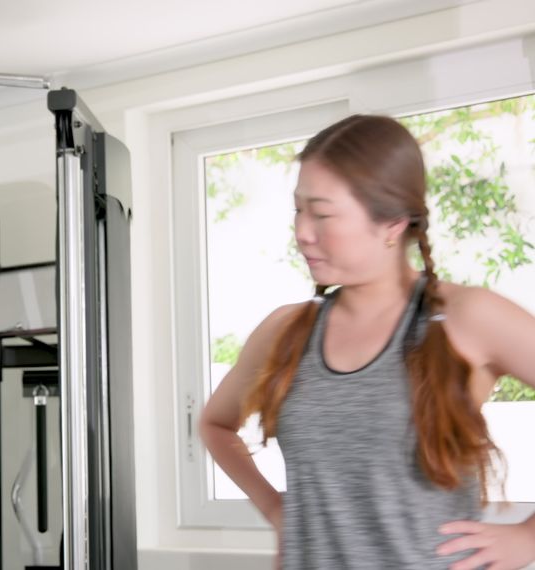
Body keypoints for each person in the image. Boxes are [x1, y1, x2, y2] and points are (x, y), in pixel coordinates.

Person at [200, 114, 535, 569]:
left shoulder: (464, 318)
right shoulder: (286, 331)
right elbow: (216, 425)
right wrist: (277, 508)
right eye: (299, 209)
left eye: (322, 213)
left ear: (393, 223)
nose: (302, 231)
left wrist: (528, 539)